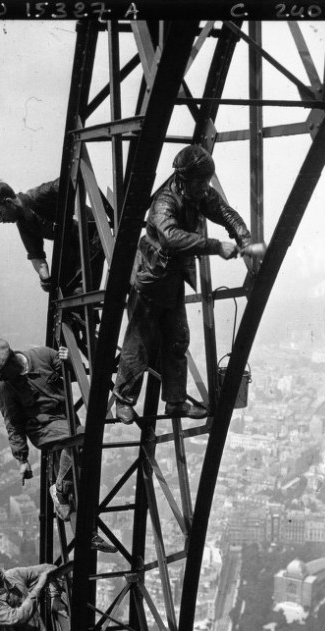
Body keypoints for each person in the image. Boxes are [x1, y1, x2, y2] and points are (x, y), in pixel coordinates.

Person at [113, 144, 266, 424]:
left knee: (177, 339)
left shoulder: (198, 192)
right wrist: (216, 245)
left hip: (171, 279)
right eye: (201, 182)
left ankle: (175, 402)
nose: (205, 187)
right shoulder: (164, 203)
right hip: (149, 280)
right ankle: (122, 400)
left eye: (207, 182)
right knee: (139, 343)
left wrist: (244, 238)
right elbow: (172, 238)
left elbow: (224, 212)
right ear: (185, 179)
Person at [0, 337, 116, 553]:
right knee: (83, 442)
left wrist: (69, 361)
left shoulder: (43, 355)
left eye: (2, 374)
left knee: (79, 479)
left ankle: (86, 533)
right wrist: (22, 460)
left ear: (12, 362)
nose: (3, 379)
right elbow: (14, 425)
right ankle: (60, 489)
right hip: (42, 429)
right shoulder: (6, 389)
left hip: (67, 422)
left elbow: (72, 376)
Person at [0, 178, 104, 296]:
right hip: (73, 247)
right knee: (69, 297)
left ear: (8, 202)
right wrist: (45, 278)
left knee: (80, 293)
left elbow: (72, 178)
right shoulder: (24, 224)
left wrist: (78, 213)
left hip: (94, 234)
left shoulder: (38, 195)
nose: (0, 220)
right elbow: (36, 256)